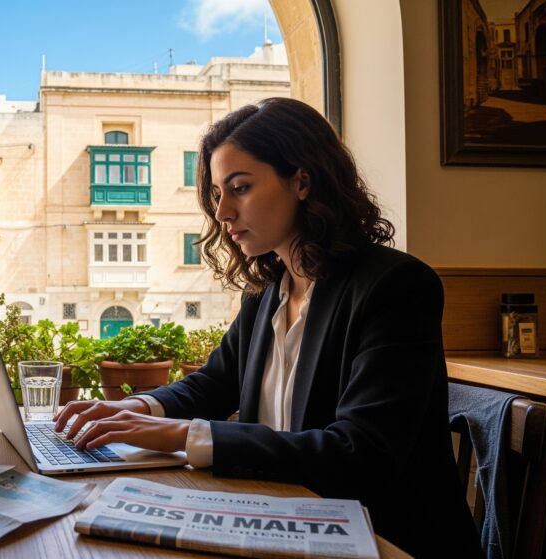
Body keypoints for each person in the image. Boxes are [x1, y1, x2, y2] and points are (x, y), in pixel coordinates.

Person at [54, 97, 480, 558]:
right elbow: (216, 382)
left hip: (385, 539)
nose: (222, 214)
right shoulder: (266, 292)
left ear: (302, 180)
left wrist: (180, 435)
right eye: (218, 194)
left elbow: (360, 455)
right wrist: (137, 409)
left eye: (239, 188)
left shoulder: (395, 286)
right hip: (280, 520)